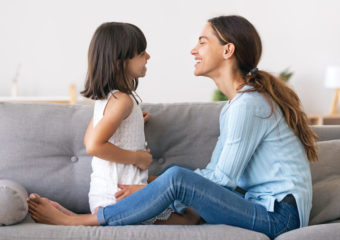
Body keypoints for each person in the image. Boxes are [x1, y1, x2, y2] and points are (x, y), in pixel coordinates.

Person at [27, 15, 317, 239]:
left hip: (279, 217)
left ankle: (81, 220)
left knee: (176, 177)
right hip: (261, 205)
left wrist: (153, 188)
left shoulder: (248, 104)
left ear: (228, 50)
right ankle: (109, 212)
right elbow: (217, 175)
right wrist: (153, 186)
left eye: (203, 42)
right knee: (175, 183)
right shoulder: (236, 105)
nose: (194, 49)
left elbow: (220, 179)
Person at [27, 22, 200, 225]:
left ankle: (77, 216)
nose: (148, 56)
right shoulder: (123, 102)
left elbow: (89, 138)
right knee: (191, 217)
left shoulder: (109, 100)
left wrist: (133, 122)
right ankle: (76, 221)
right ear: (120, 63)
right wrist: (138, 157)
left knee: (186, 206)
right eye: (142, 52)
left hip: (110, 194)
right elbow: (94, 145)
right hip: (121, 197)